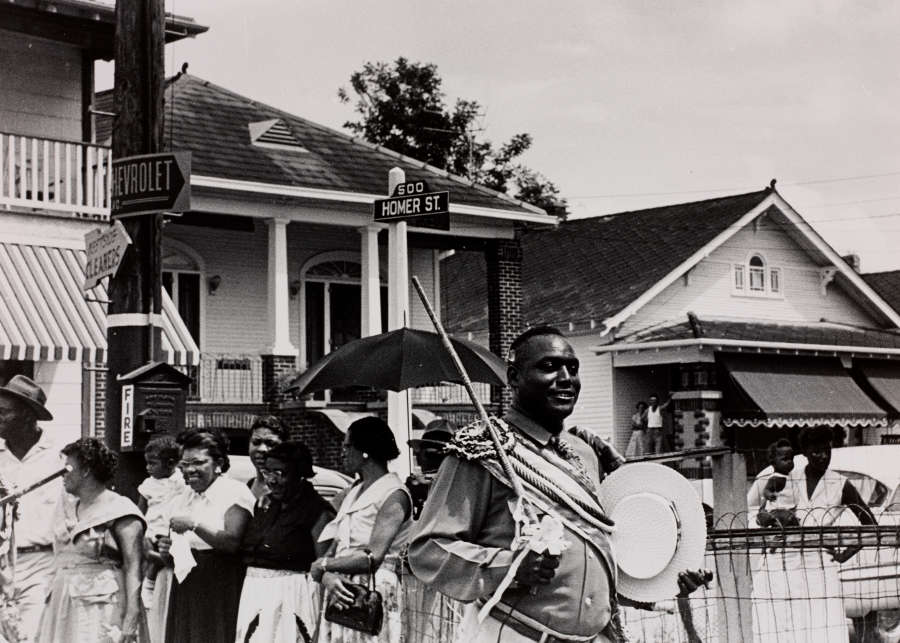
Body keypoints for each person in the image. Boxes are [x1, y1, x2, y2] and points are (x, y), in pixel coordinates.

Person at [408, 326, 707, 643]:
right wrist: (510, 566)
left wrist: (665, 578)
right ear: (514, 377)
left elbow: (592, 557)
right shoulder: (482, 451)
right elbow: (429, 549)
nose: (566, 378)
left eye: (572, 369)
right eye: (549, 366)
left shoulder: (584, 454)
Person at [751, 426, 877, 643]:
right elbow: (760, 515)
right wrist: (774, 516)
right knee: (782, 624)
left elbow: (870, 525)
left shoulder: (840, 484)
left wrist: (845, 554)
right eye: (816, 451)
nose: (823, 456)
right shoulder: (787, 477)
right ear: (805, 452)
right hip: (782, 561)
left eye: (827, 450)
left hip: (819, 564)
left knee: (822, 624)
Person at [309, 417, 412, 643]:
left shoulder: (394, 494)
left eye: (347, 446)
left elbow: (372, 557)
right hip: (341, 589)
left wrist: (324, 566)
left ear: (366, 450)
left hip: (372, 591)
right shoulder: (354, 491)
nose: (342, 453)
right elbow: (337, 544)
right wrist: (327, 575)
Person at [36, 438, 148, 643]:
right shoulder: (67, 508)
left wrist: (132, 617)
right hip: (63, 601)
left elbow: (134, 566)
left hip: (101, 606)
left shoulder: (120, 509)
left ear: (86, 470)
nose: (63, 475)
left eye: (67, 469)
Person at [155, 428, 255, 642]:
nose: (190, 469)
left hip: (220, 583)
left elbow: (232, 542)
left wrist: (194, 524)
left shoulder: (234, 492)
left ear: (219, 463)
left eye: (198, 463)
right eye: (184, 464)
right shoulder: (185, 496)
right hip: (187, 584)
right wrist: (167, 550)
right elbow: (178, 549)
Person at [235, 441, 335, 643]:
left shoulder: (317, 511)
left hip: (293, 596)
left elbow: (323, 565)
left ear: (300, 473)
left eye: (280, 473)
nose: (271, 480)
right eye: (267, 472)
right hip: (254, 593)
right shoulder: (265, 504)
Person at [0, 375, 62, 643]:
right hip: (2, 564)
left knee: (32, 635)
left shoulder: (60, 456)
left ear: (27, 415)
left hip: (42, 564)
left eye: (3, 412)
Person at [136, 435, 184, 642]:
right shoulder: (148, 484)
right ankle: (148, 585)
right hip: (152, 527)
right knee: (150, 558)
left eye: (153, 463)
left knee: (165, 559)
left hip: (170, 528)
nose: (148, 468)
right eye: (147, 463)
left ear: (171, 463)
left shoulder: (181, 481)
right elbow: (140, 510)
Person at [405, 418, 455, 519]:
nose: (434, 462)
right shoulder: (415, 486)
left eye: (439, 456)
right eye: (430, 455)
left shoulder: (455, 485)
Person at [746, 438, 798, 527]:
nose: (790, 462)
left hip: (789, 509)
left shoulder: (792, 476)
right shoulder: (776, 477)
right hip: (777, 510)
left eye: (791, 459)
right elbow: (766, 490)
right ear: (773, 462)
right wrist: (770, 495)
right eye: (785, 459)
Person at [246, 415, 290, 500]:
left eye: (270, 443)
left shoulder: (291, 489)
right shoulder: (249, 485)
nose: (261, 449)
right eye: (256, 442)